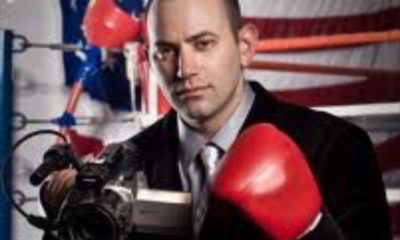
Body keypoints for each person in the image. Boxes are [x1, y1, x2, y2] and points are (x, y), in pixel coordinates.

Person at [44, 0, 391, 239]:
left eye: (203, 43)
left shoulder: (337, 147)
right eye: (165, 51)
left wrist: (312, 231)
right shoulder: (122, 163)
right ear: (149, 59)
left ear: (245, 46)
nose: (184, 69)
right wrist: (66, 221)